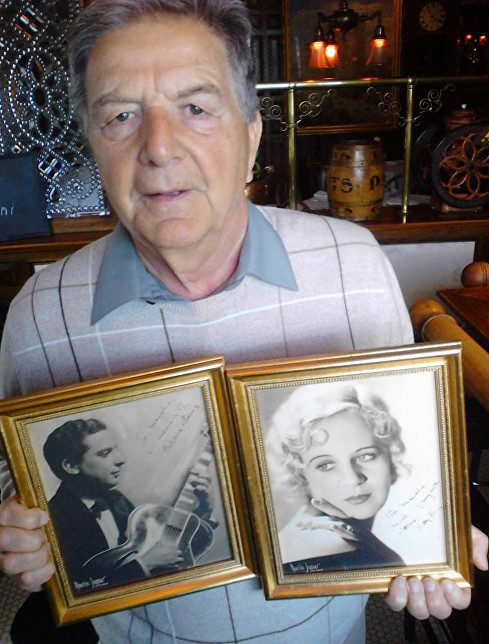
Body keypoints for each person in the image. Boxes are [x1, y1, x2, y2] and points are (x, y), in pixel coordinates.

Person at [0, 1, 486, 642]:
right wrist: (18, 528)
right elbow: (14, 470)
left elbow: (407, 453)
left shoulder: (355, 266)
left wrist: (428, 534)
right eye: (121, 116)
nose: (159, 147)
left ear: (252, 133)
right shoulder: (40, 314)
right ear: (93, 142)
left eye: (196, 108)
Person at [265, 384, 407, 574]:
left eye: (366, 456)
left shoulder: (353, 543)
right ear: (299, 475)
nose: (352, 479)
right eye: (325, 465)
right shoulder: (332, 548)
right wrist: (389, 561)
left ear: (391, 457)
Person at [42, 418, 188, 593]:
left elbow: (156, 547)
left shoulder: (117, 500)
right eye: (105, 453)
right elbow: (77, 588)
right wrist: (144, 565)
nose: (121, 459)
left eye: (116, 449)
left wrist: (202, 507)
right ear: (71, 466)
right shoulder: (54, 520)